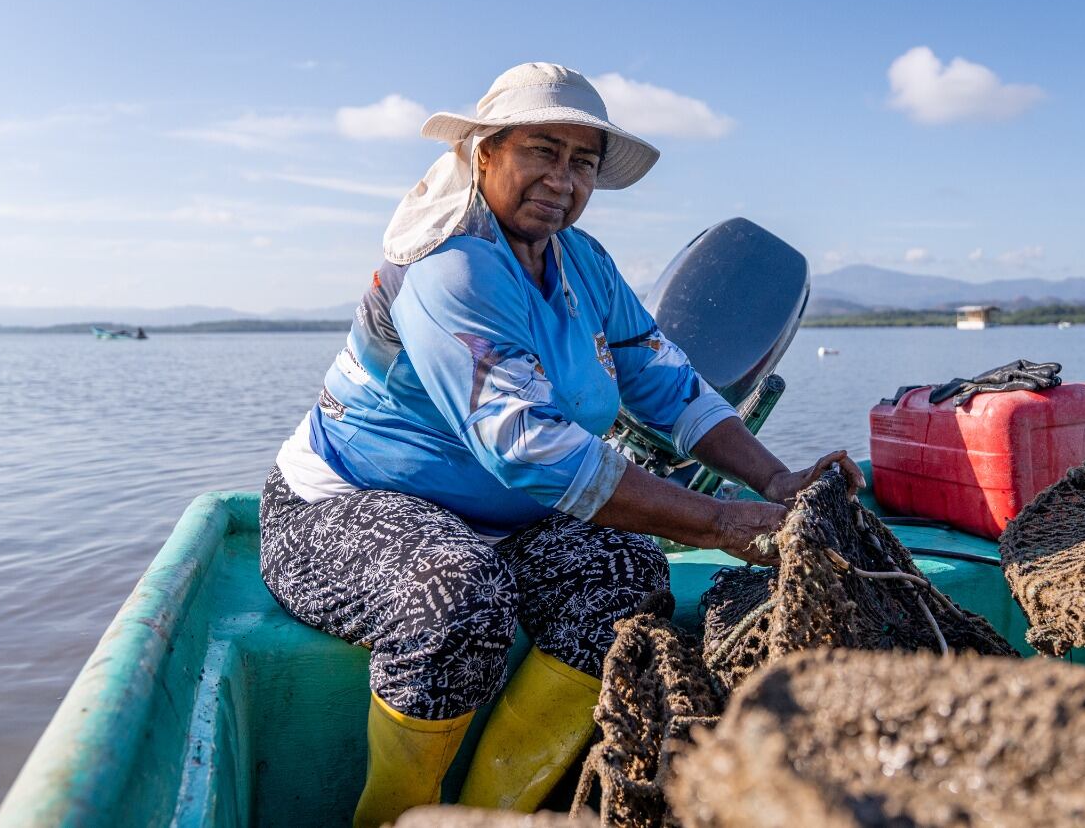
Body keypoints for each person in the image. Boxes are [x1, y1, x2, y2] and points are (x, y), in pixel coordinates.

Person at [259, 62, 861, 827]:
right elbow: (528, 447)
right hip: (339, 505)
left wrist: (777, 482)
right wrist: (718, 523)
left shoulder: (585, 264)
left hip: (504, 519)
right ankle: (394, 820)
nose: (562, 179)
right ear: (484, 155)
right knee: (455, 596)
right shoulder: (449, 265)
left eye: (581, 163)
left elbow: (669, 386)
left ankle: (488, 815)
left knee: (624, 579)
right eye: (542, 150)